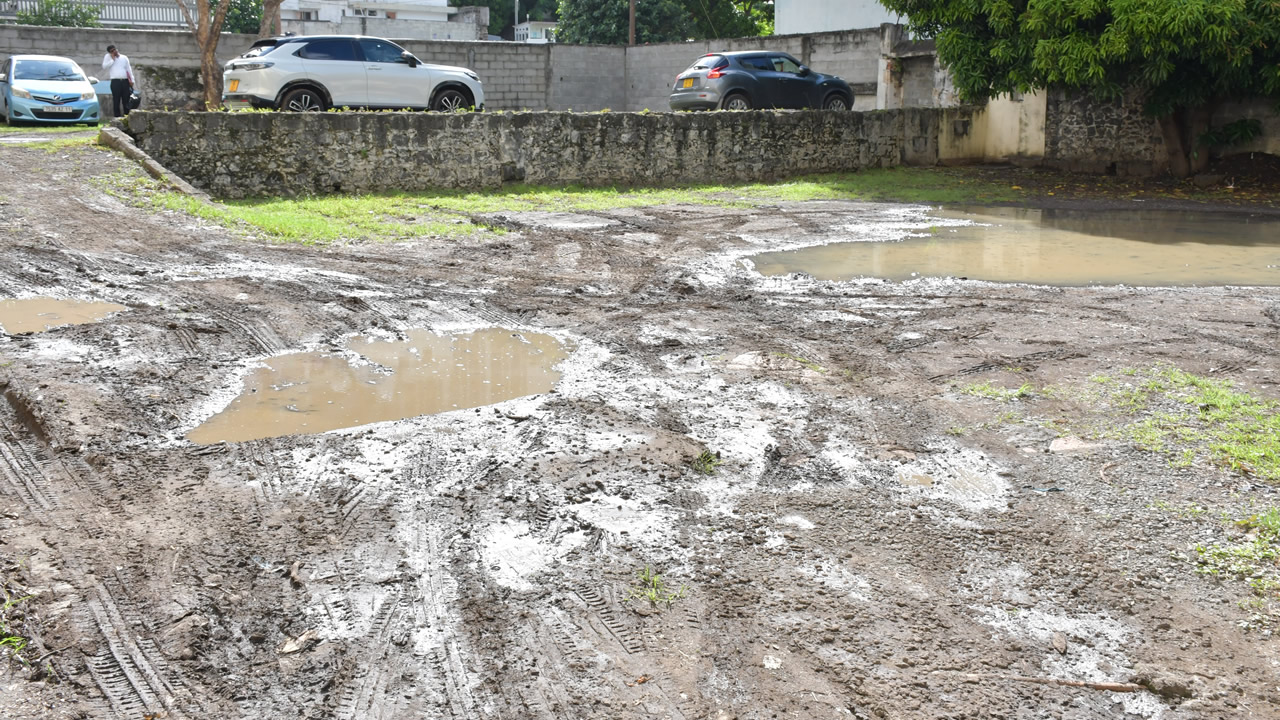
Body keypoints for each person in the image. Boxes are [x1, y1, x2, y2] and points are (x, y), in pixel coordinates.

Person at [101, 45, 134, 117]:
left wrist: (132, 80)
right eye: (112, 51)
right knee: (116, 99)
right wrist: (112, 60)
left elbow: (129, 69)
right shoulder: (108, 57)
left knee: (126, 99)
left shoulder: (124, 57)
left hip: (125, 80)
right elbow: (104, 66)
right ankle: (117, 116)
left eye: (114, 50)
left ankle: (126, 115)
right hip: (115, 81)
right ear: (110, 52)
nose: (114, 52)